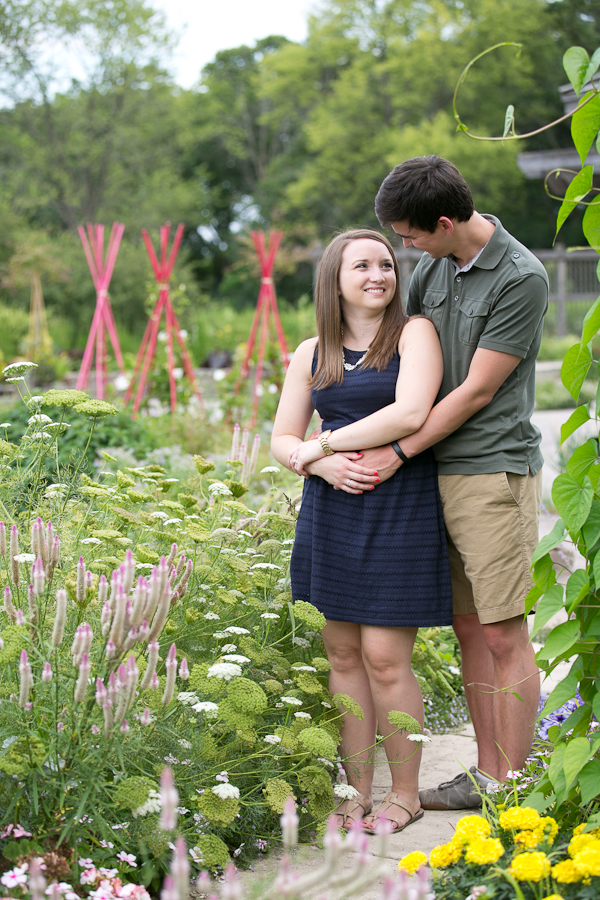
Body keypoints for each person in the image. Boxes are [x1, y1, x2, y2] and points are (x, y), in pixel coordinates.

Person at [305, 156, 549, 809]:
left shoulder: (521, 277)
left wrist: (394, 450)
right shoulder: (439, 265)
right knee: (470, 631)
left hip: (487, 469)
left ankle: (515, 785)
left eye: (408, 239)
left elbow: (473, 392)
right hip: (427, 474)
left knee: (503, 632)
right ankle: (485, 772)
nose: (401, 253)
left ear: (443, 223)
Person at [271, 228, 453, 834]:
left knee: (384, 657)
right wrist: (318, 462)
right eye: (363, 266)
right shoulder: (310, 351)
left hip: (399, 503)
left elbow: (409, 413)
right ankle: (355, 793)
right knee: (342, 654)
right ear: (334, 279)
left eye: (386, 264)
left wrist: (321, 443)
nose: (379, 275)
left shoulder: (414, 334)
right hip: (331, 510)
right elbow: (280, 441)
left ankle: (405, 795)